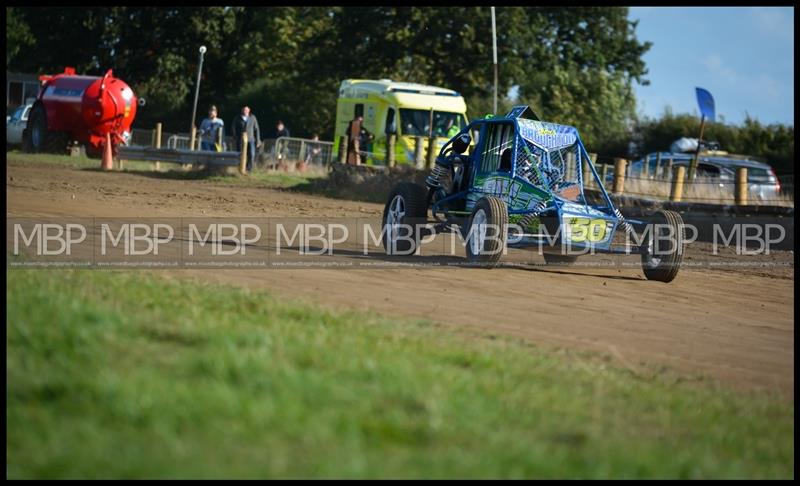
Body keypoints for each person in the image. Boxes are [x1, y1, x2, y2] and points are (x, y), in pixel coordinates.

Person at [232, 106, 262, 172]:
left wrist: (258, 140)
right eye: (244, 110)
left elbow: (256, 129)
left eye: (246, 110)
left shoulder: (253, 117)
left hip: (251, 139)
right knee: (241, 154)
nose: (245, 111)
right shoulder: (237, 118)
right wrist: (235, 137)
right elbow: (233, 127)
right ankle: (241, 168)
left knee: (251, 154)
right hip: (240, 139)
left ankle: (249, 169)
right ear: (242, 110)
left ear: (249, 110)